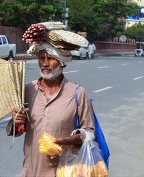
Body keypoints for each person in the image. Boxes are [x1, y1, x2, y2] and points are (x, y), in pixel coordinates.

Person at [6, 28, 95, 177]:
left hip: (63, 170)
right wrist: (16, 122)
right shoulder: (27, 90)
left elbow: (89, 133)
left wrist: (64, 141)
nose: (45, 64)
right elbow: (18, 131)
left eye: (51, 58)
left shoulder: (77, 93)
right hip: (31, 170)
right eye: (42, 58)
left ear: (62, 63)